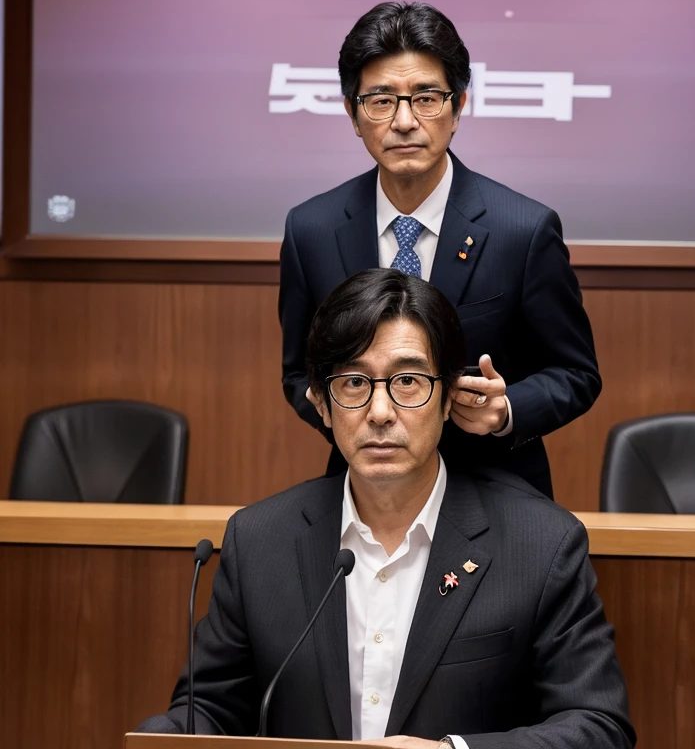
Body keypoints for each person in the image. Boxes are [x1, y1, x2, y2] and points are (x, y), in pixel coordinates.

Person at [139, 269, 634, 749]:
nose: (379, 413)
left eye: (408, 381)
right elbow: (209, 712)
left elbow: (597, 726)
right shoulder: (259, 541)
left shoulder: (540, 544)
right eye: (354, 383)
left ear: (448, 399)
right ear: (321, 404)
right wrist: (157, 739)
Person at [279, 1, 602, 499]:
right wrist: (355, 418)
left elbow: (577, 373)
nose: (405, 121)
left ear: (458, 106)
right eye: (381, 101)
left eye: (426, 98)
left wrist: (506, 410)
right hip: (364, 494)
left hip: (495, 492)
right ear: (352, 112)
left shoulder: (523, 229)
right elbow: (299, 374)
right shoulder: (311, 230)